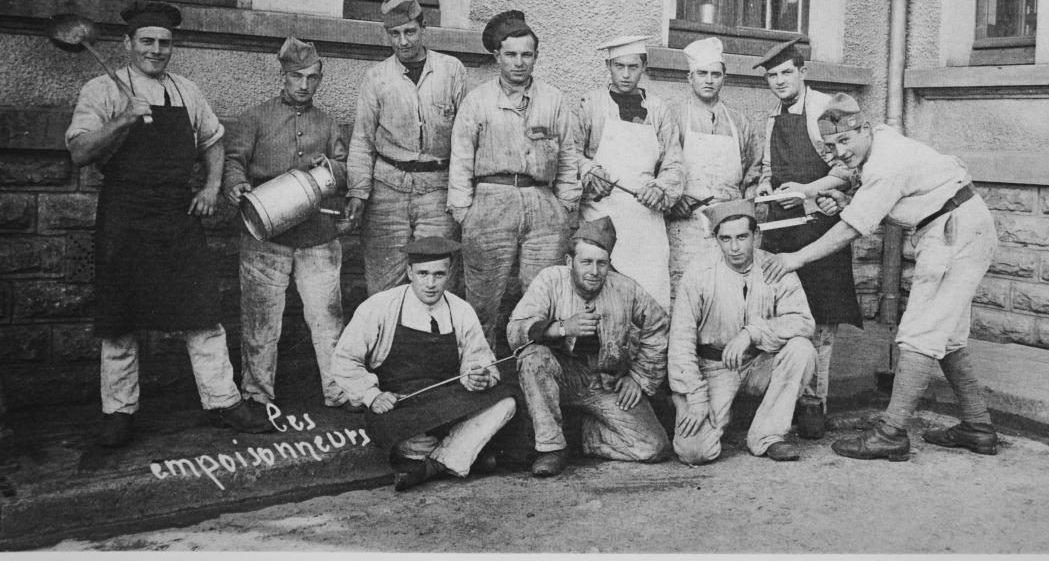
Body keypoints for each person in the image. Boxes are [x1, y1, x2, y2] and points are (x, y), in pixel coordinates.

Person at [65, 1, 271, 448]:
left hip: (177, 213)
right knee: (120, 318)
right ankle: (118, 412)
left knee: (201, 312)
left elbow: (214, 139)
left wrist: (212, 186)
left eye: (164, 42)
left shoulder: (186, 92)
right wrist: (124, 119)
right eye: (147, 42)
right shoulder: (101, 90)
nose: (156, 50)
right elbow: (80, 151)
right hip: (124, 213)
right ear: (127, 44)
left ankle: (224, 402)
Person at [763, 93, 1001, 461]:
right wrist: (847, 201)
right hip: (960, 223)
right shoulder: (882, 140)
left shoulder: (884, 164)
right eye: (831, 145)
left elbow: (851, 229)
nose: (840, 152)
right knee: (948, 336)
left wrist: (796, 258)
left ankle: (891, 432)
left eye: (845, 141)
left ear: (863, 129)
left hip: (953, 232)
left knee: (919, 334)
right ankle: (978, 425)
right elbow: (874, 199)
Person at [330, 237, 516, 491]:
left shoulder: (461, 310)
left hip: (447, 401)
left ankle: (435, 464)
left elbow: (479, 357)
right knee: (411, 439)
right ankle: (462, 451)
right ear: (409, 272)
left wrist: (475, 374)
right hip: (398, 404)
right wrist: (372, 395)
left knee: (506, 402)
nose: (430, 283)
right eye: (423, 274)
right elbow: (343, 360)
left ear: (449, 274)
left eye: (439, 274)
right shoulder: (379, 307)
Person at [222, 36, 349, 410]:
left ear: (320, 78)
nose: (304, 85)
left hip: (318, 238)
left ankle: (338, 391)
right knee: (261, 323)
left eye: (312, 77)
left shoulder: (327, 123)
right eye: (297, 77)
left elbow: (344, 169)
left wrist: (333, 171)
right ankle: (258, 396)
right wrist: (234, 184)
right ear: (283, 76)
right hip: (265, 235)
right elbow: (233, 160)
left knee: (328, 319)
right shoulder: (255, 117)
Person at [448, 10, 582, 353]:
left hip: (542, 203)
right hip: (491, 202)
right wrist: (465, 213)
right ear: (497, 57)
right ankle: (479, 367)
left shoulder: (553, 100)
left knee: (542, 298)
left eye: (527, 54)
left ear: (536, 57)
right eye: (511, 54)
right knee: (482, 299)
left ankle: (535, 368)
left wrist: (565, 207)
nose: (519, 62)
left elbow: (568, 159)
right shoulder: (478, 101)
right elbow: (461, 159)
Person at [753, 38, 861, 437]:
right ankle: (786, 400)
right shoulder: (772, 119)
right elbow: (769, 169)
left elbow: (848, 170)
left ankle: (815, 404)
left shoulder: (823, 110)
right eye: (772, 76)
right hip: (783, 232)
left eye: (786, 73)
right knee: (784, 317)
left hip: (820, 228)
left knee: (821, 321)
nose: (780, 82)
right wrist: (765, 190)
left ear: (802, 72)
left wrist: (808, 189)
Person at [507, 217, 670, 477]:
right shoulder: (551, 280)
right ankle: (551, 448)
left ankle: (580, 435)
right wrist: (561, 328)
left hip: (605, 382)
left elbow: (659, 326)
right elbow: (516, 330)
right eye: (586, 262)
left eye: (601, 263)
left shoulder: (625, 289)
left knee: (653, 447)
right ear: (570, 261)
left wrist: (639, 378)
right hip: (560, 376)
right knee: (532, 358)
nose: (594, 271)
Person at [669, 200, 817, 464]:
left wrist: (752, 332)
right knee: (694, 451)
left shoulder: (775, 266)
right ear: (716, 239)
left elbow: (803, 321)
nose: (734, 247)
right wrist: (695, 395)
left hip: (760, 362)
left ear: (756, 236)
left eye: (742, 237)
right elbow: (681, 341)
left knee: (801, 349)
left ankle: (768, 435)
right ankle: (717, 415)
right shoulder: (699, 273)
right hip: (714, 367)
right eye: (725, 239)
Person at [345, 0, 466, 295]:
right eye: (394, 34)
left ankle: (436, 341)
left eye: (409, 32)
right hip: (387, 192)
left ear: (424, 28)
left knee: (437, 279)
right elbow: (362, 140)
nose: (402, 41)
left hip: (438, 190)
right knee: (385, 284)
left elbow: (466, 139)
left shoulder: (451, 71)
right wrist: (358, 192)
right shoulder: (376, 78)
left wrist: (463, 194)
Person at [575, 35, 684, 309]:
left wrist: (660, 189)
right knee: (603, 298)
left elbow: (674, 163)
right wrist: (589, 170)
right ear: (608, 66)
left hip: (646, 222)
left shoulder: (658, 110)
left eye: (633, 67)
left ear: (643, 68)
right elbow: (569, 153)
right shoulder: (591, 105)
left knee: (650, 297)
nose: (625, 74)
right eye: (618, 66)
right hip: (600, 218)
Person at [667, 37, 761, 294]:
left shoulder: (739, 122)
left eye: (715, 74)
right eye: (702, 74)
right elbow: (660, 168)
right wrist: (673, 199)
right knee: (686, 292)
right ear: (690, 78)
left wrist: (747, 209)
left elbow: (754, 172)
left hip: (730, 226)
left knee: (727, 295)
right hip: (686, 225)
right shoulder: (673, 117)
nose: (709, 80)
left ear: (724, 77)